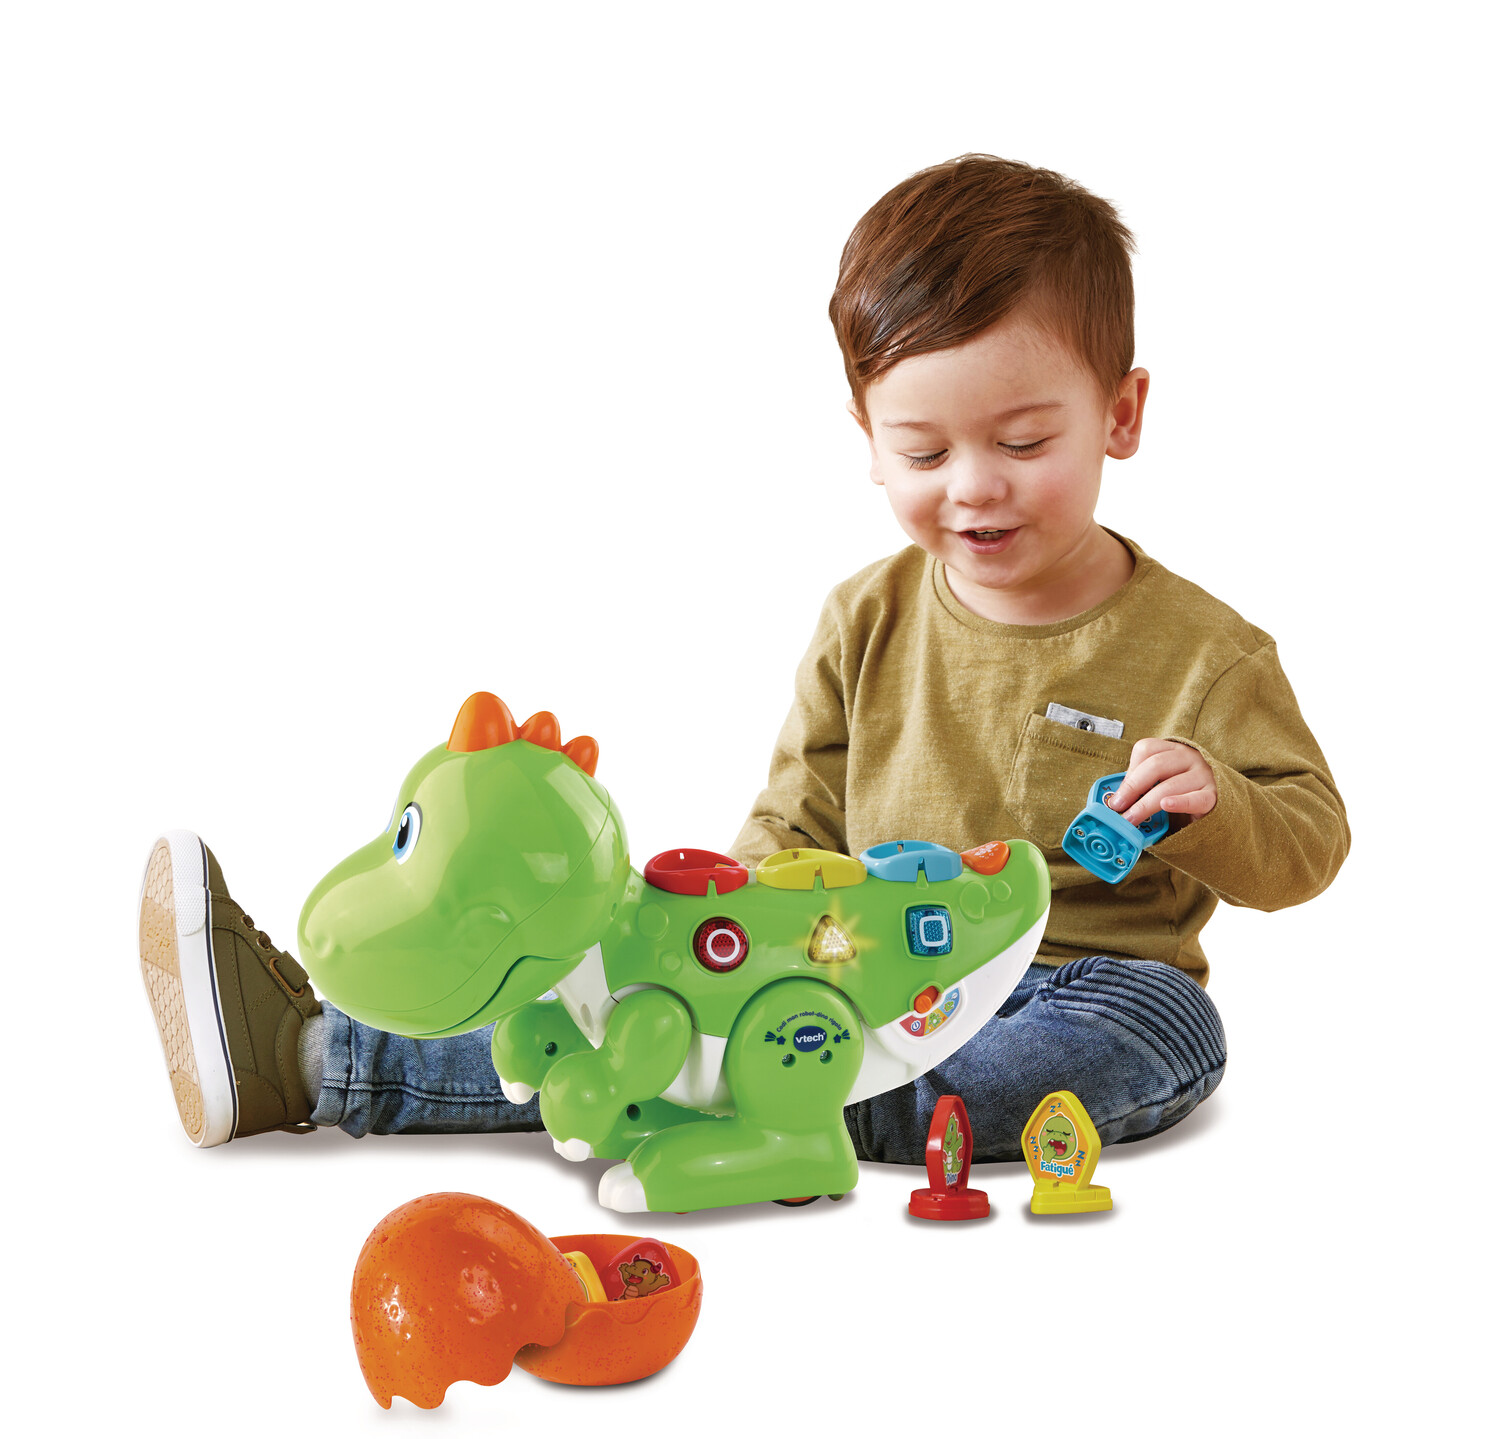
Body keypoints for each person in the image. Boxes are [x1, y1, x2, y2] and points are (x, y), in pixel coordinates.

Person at [138, 154, 1348, 1162]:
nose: (974, 486)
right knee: (603, 993)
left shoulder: (1207, 649)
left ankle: (746, 1101)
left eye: (1024, 441)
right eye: (924, 452)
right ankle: (308, 1052)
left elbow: (1310, 841)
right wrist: (705, 947)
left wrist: (1215, 797)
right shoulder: (866, 615)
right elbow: (797, 812)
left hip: (1088, 978)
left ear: (1121, 415)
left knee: (1163, 1029)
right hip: (851, 970)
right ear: (867, 438)